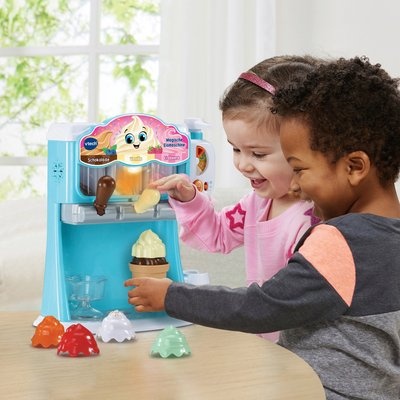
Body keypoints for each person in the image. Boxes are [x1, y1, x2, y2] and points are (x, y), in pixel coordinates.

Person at [125, 56, 400, 399]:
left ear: (355, 166)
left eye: (300, 169)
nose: (296, 187)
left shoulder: (337, 239)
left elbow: (263, 307)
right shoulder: (386, 236)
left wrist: (172, 296)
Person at [148, 55, 320, 341]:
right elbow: (217, 234)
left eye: (258, 154)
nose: (242, 164)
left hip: (300, 351)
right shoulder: (257, 203)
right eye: (236, 149)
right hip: (266, 347)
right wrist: (190, 199)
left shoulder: (312, 221)